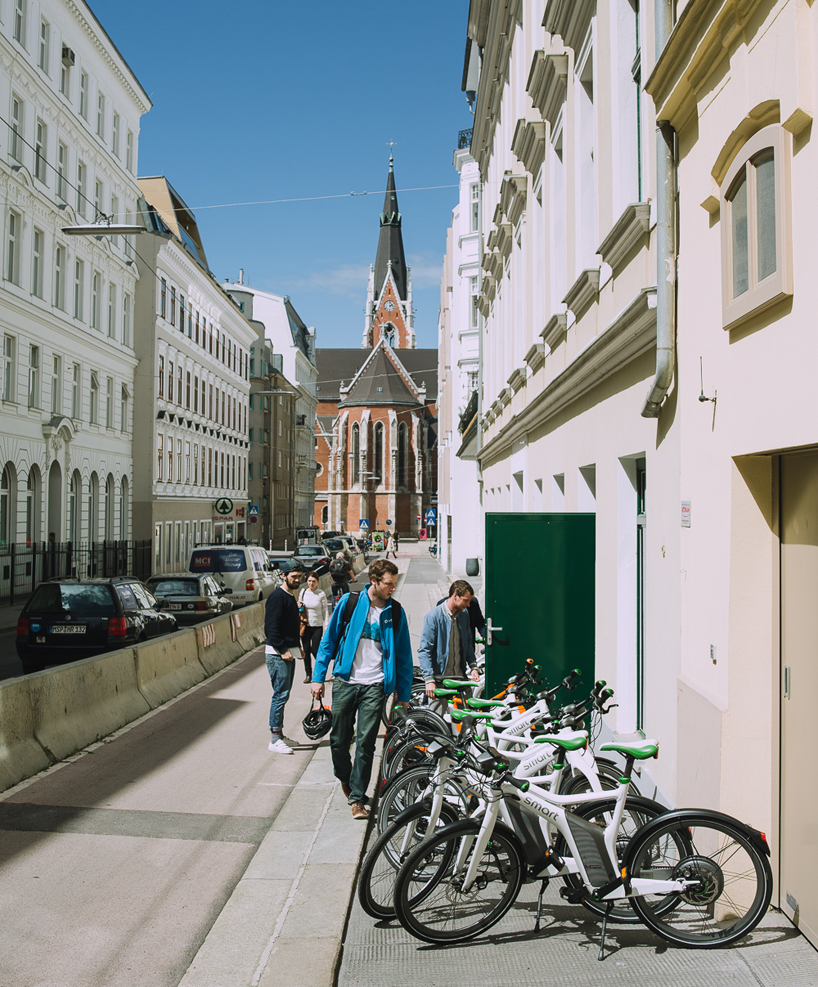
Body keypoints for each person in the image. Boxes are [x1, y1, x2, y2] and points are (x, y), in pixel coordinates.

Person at [312, 559, 413, 819]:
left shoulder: (395, 612)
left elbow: (403, 656)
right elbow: (328, 641)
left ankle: (357, 798)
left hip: (376, 685)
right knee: (339, 741)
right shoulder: (350, 602)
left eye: (394, 583)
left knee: (366, 743)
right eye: (388, 584)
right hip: (346, 682)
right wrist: (318, 677)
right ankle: (346, 779)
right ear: (374, 582)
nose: (393, 588)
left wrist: (403, 695)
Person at [264, 562, 305, 754]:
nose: (297, 580)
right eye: (293, 576)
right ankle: (274, 739)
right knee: (280, 695)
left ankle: (279, 735)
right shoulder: (277, 597)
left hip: (288, 653)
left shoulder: (289, 596)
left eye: (299, 576)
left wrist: (298, 647)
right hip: (277, 655)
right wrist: (282, 650)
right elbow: (271, 628)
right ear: (283, 575)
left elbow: (290, 627)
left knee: (284, 694)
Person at [418, 579, 480, 698]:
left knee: (467, 708)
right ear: (455, 596)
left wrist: (473, 667)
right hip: (440, 678)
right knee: (437, 709)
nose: (468, 605)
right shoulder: (433, 617)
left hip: (459, 676)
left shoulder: (464, 614)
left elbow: (468, 643)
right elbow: (424, 650)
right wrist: (429, 679)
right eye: (466, 600)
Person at [298, 572, 329, 684]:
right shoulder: (303, 592)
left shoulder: (321, 594)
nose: (311, 583)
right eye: (309, 581)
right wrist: (299, 605)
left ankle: (319, 672)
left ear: (317, 582)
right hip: (305, 626)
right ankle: (308, 674)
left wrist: (326, 625)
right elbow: (299, 607)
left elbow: (325, 610)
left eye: (313, 581)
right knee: (306, 651)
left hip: (317, 626)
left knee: (315, 650)